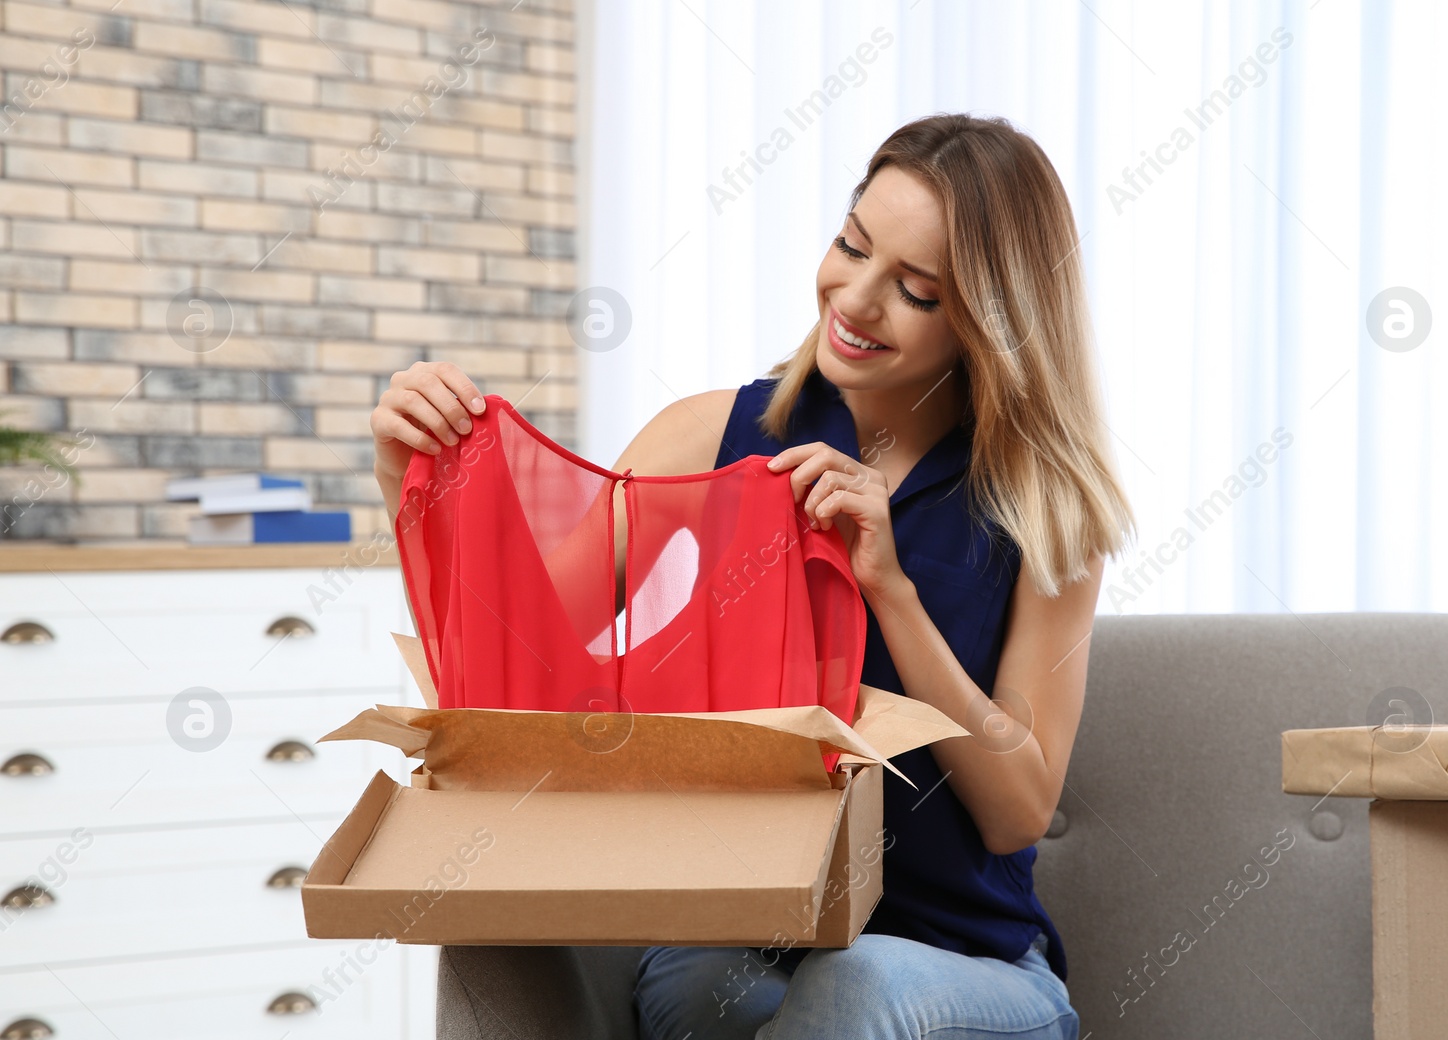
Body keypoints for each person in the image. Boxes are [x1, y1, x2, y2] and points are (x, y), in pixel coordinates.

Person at [369, 112, 1135, 1040]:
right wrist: (406, 475)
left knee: (848, 993)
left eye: (917, 292)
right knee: (692, 981)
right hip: (756, 950)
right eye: (851, 246)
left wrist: (889, 591)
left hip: (968, 970)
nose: (853, 300)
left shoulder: (1046, 510)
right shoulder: (712, 438)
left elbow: (1020, 812)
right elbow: (511, 665)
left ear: (993, 319)